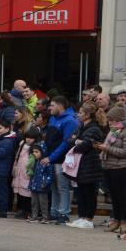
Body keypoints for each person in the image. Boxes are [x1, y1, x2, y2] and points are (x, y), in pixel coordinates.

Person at [65, 102, 107, 229]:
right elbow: (70, 140)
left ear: (88, 115)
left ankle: (88, 218)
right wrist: (77, 141)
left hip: (90, 165)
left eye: (81, 113)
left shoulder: (94, 128)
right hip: (80, 165)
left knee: (89, 192)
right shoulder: (81, 126)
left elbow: (84, 146)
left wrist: (78, 142)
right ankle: (81, 216)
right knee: (81, 192)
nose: (78, 115)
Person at [94, 106, 126, 234]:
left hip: (121, 167)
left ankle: (125, 222)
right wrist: (101, 147)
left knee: (121, 195)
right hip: (109, 166)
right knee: (114, 196)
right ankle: (116, 220)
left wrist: (106, 149)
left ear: (118, 119)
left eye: (111, 119)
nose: (109, 122)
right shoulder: (113, 131)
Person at [42, 96, 79, 224]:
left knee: (62, 187)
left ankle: (64, 213)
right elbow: (50, 140)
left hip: (62, 159)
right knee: (54, 187)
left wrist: (51, 157)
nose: (49, 108)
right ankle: (54, 212)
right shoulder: (53, 118)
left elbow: (66, 143)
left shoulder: (70, 121)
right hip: (51, 158)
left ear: (60, 106)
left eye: (52, 105)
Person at [11, 127, 41, 219]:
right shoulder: (22, 145)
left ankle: (27, 210)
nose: (28, 139)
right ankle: (21, 210)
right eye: (27, 137)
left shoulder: (36, 147)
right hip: (19, 171)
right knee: (19, 191)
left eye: (31, 138)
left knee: (27, 192)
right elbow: (17, 157)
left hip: (28, 173)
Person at [27, 144, 53, 223]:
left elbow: (50, 174)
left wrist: (46, 183)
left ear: (42, 152)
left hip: (42, 186)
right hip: (34, 186)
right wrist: (30, 184)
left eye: (36, 152)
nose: (34, 153)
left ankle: (45, 217)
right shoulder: (33, 162)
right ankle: (34, 217)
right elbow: (31, 175)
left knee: (43, 203)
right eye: (33, 152)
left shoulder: (46, 163)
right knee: (34, 202)